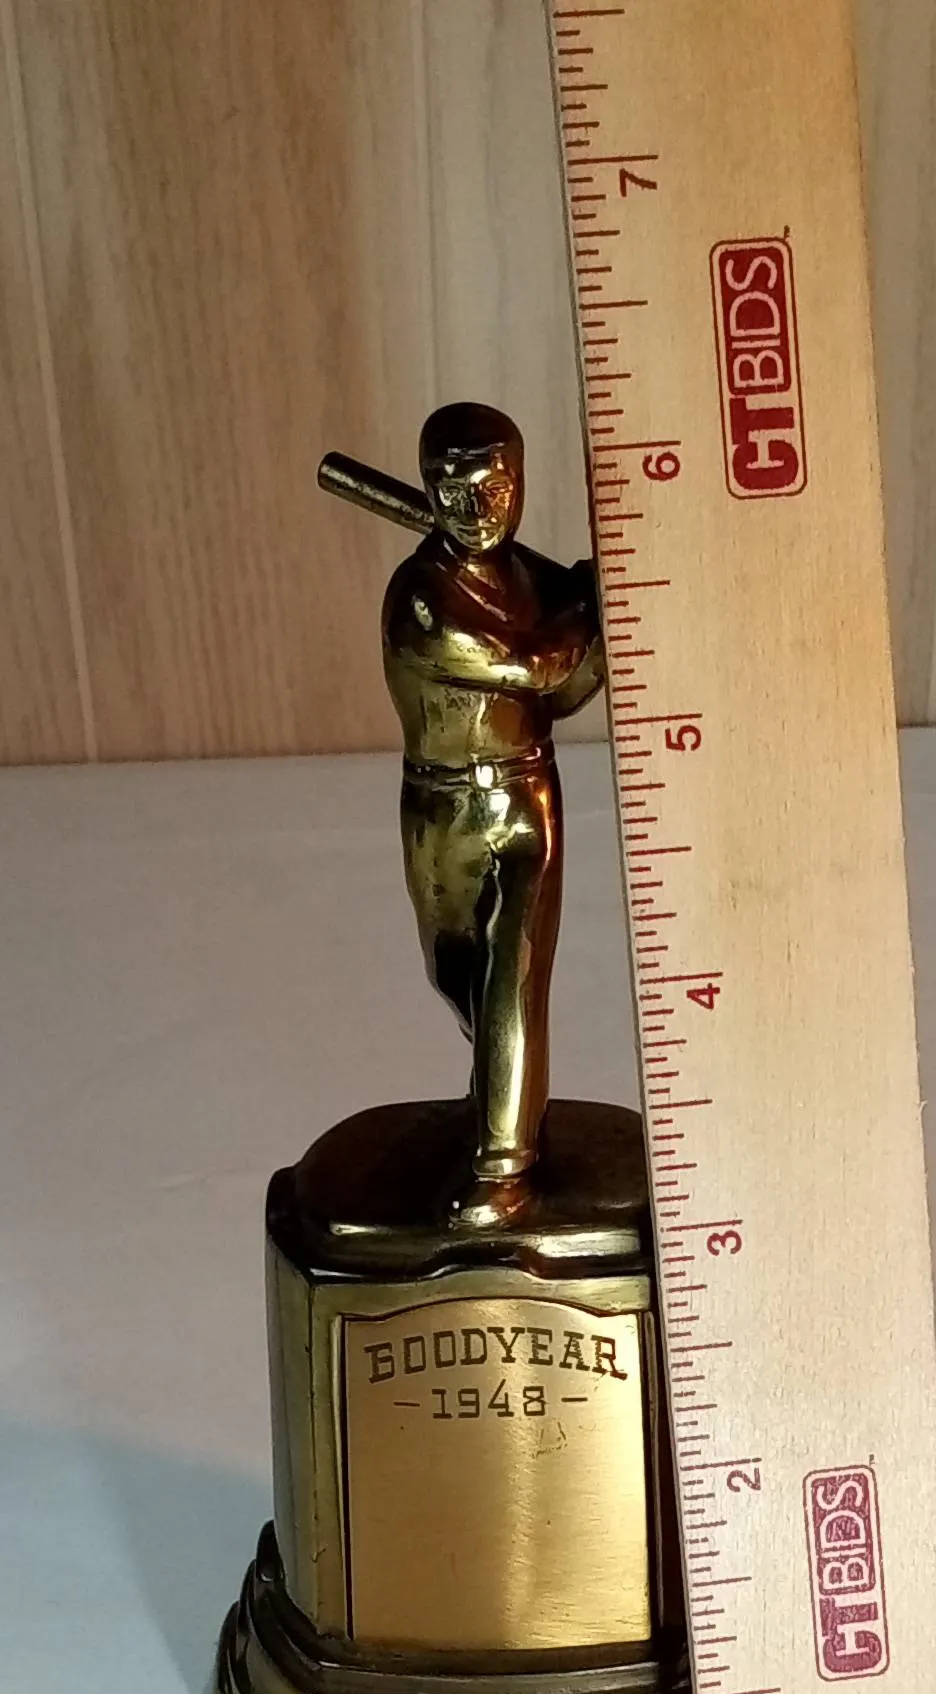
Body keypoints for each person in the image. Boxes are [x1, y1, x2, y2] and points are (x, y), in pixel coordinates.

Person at [381, 404, 604, 1226]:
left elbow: (563, 694)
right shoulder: (421, 600)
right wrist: (587, 606)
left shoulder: (523, 581)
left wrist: (600, 625)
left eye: (492, 488)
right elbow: (531, 667)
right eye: (452, 491)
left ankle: (502, 1169)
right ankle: (503, 1101)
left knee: (513, 978)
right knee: (459, 978)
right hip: (440, 811)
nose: (475, 509)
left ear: (519, 485)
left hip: (522, 796)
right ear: (428, 490)